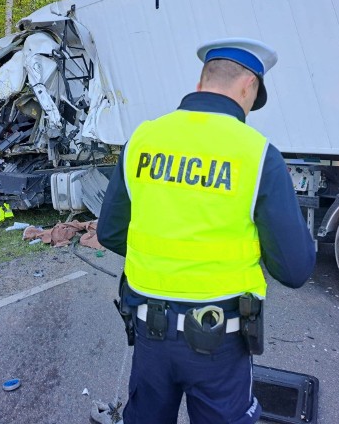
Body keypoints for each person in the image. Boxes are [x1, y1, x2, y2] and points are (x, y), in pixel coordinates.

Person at [97, 38, 316, 424]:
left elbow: (111, 232)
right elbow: (294, 269)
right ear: (248, 85)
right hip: (219, 337)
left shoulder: (143, 139)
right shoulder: (257, 152)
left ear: (202, 81)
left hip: (149, 331)